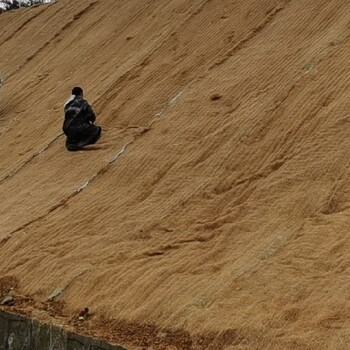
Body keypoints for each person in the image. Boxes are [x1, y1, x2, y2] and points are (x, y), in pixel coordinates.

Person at [63, 87, 101, 151]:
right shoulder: (83, 103)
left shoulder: (67, 105)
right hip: (79, 129)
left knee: (72, 135)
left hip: (67, 130)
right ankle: (82, 144)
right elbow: (92, 117)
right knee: (97, 129)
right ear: (81, 93)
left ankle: (72, 143)